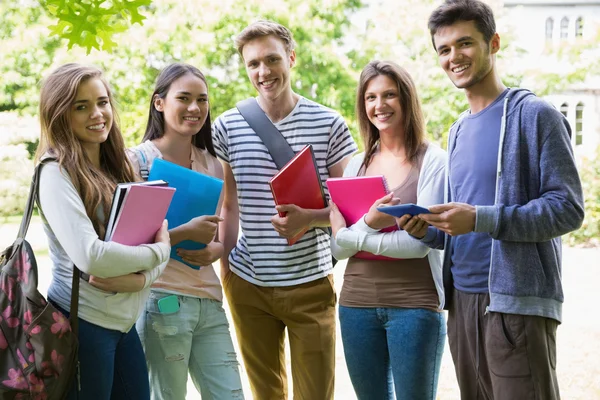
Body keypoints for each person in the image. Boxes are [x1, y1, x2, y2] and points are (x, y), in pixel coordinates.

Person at [401, 1, 585, 399]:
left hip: (514, 303)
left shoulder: (536, 116)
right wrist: (429, 229)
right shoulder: (458, 132)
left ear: (494, 43)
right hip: (461, 301)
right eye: (444, 50)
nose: (454, 57)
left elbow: (568, 208)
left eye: (464, 43)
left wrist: (482, 218)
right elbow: (464, 222)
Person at [212, 20, 358, 400]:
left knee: (315, 394)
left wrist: (310, 218)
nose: (263, 72)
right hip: (248, 286)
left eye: (272, 59)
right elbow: (229, 203)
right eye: (253, 64)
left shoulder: (329, 124)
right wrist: (227, 270)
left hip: (310, 283)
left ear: (291, 58)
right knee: (265, 394)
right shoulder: (227, 126)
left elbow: (352, 208)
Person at [35, 63, 170, 399]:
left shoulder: (119, 165)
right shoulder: (54, 173)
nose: (97, 114)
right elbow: (91, 256)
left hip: (124, 326)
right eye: (81, 106)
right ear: (59, 114)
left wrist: (142, 279)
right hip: (82, 326)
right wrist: (161, 252)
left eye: (102, 102)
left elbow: (153, 234)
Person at [328, 60, 447, 400]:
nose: (380, 106)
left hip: (415, 306)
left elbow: (417, 245)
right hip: (356, 306)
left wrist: (355, 235)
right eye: (371, 97)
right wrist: (370, 224)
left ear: (406, 99)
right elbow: (336, 251)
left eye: (390, 95)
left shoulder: (433, 160)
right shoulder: (356, 165)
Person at [128, 63, 244, 400]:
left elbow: (229, 211)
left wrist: (218, 249)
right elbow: (127, 242)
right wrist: (182, 232)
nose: (195, 108)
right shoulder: (137, 161)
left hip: (209, 300)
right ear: (159, 103)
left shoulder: (213, 163)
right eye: (184, 98)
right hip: (161, 300)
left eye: (202, 100)